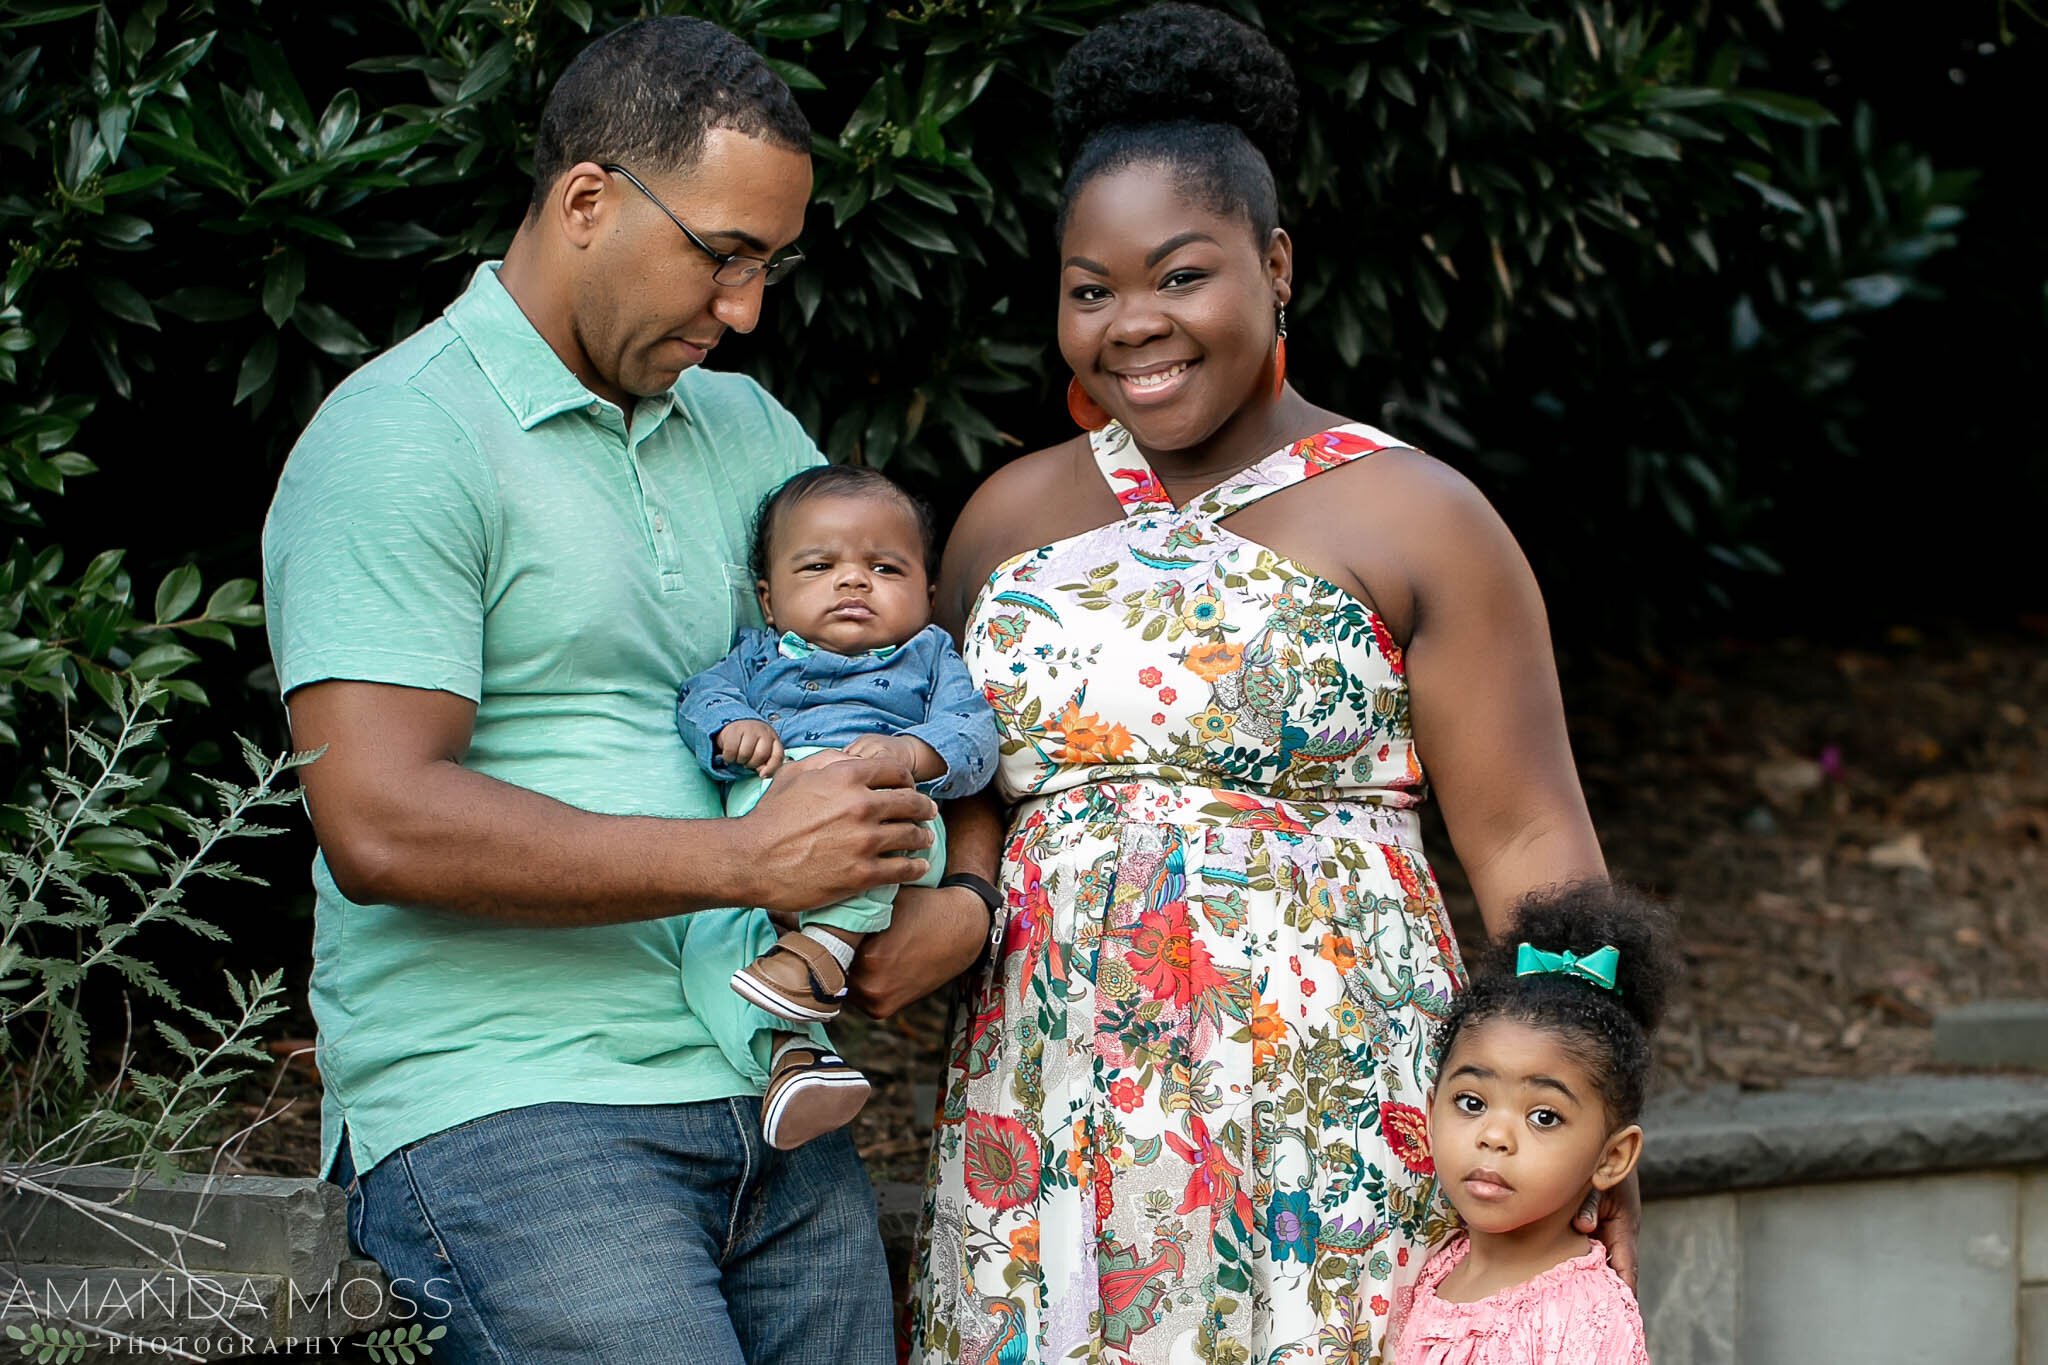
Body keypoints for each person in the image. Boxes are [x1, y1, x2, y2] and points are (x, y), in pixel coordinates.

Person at [901, 6, 1630, 1361]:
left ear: (1276, 264)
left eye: (1181, 276)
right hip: (1054, 1103)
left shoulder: (1419, 517)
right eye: (1090, 288)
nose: (1135, 327)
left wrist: (1583, 1121)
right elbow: (959, 796)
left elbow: (1534, 842)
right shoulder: (1004, 523)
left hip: (1331, 1101)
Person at [261, 18, 987, 1364]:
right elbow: (377, 821)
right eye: (722, 255)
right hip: (510, 1100)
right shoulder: (403, 437)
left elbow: (911, 676)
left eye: (770, 265)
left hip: (772, 1080)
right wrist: (739, 854)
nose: (747, 309)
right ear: (588, 198)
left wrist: (963, 893)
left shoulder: (755, 433)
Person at [676, 465, 999, 1151]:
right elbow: (699, 698)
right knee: (711, 945)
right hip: (764, 831)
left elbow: (974, 736)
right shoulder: (754, 655)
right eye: (819, 565)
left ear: (928, 594)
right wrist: (733, 728)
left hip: (889, 808)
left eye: (885, 566)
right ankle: (793, 1059)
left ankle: (824, 947)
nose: (853, 580)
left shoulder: (931, 654)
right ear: (768, 598)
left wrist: (909, 754)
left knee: (876, 819)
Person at [1391, 884, 1673, 1364]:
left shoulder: (1585, 1317)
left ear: (1613, 1158)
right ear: (1432, 1110)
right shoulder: (1437, 1267)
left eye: (1543, 1116)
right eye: (1472, 1102)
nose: (1494, 1137)